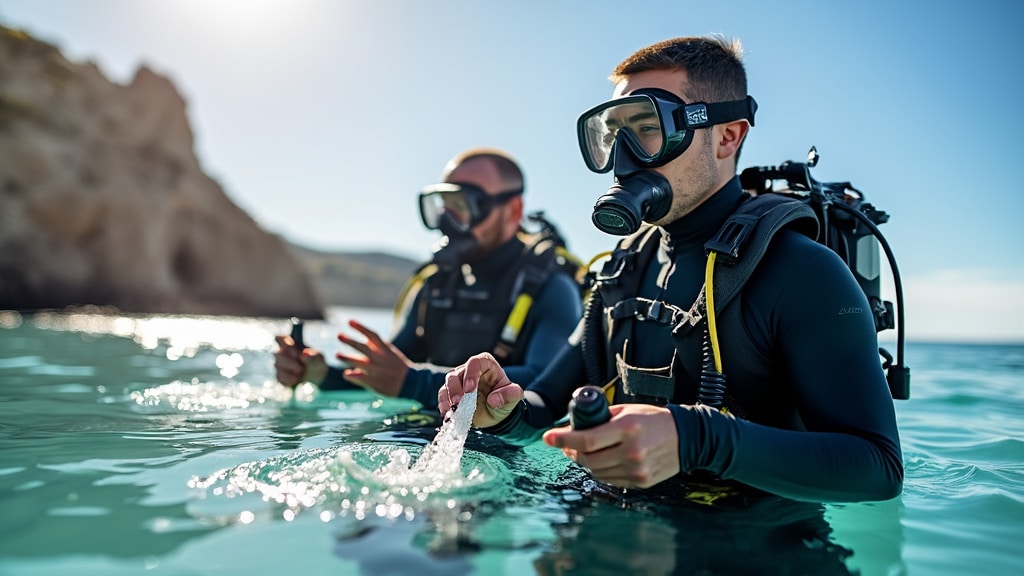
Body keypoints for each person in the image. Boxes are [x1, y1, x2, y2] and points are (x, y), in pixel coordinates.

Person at [439, 36, 903, 503]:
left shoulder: (802, 271)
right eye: (612, 133)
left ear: (727, 136)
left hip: (752, 550)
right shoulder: (625, 267)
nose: (622, 158)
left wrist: (696, 439)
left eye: (647, 126)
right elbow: (543, 403)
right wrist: (502, 408)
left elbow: (878, 467)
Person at [274, 148, 583, 410]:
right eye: (443, 206)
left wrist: (416, 384)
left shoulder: (553, 289)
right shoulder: (434, 287)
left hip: (507, 451)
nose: (449, 222)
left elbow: (548, 382)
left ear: (514, 210)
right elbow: (391, 372)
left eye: (465, 205)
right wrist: (320, 375)